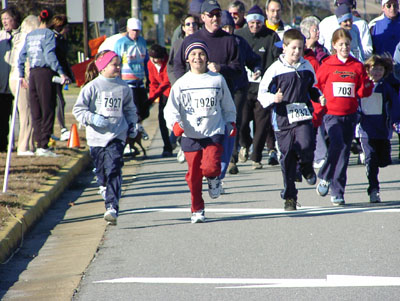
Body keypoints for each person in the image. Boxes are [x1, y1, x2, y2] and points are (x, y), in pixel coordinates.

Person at [164, 41, 236, 223]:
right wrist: (175, 124)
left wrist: (230, 121)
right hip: (190, 134)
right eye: (193, 54)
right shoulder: (182, 84)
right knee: (193, 176)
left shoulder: (217, 80)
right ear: (187, 59)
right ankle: (197, 209)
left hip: (213, 131)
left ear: (207, 57)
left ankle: (213, 178)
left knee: (211, 166)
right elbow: (170, 109)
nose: (198, 57)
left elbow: (227, 104)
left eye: (201, 54)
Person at [257, 29, 322, 211]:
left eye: (300, 48)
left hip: (302, 115)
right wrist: (273, 99)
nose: (296, 52)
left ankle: (306, 167)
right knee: (286, 157)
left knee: (307, 144)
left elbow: (313, 88)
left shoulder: (306, 66)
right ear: (284, 48)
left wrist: (319, 97)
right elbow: (262, 95)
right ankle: (290, 197)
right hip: (282, 119)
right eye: (293, 48)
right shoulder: (275, 70)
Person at [72, 50, 138, 225]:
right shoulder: (92, 87)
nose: (117, 67)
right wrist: (93, 118)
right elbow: (78, 110)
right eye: (114, 64)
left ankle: (112, 207)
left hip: (117, 134)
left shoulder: (123, 87)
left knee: (114, 167)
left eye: (119, 64)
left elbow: (130, 109)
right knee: (102, 172)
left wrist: (133, 125)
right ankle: (103, 185)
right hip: (96, 138)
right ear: (102, 67)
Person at [314, 28, 373, 206]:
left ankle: (338, 192)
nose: (345, 47)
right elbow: (317, 85)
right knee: (337, 145)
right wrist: (319, 100)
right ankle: (324, 176)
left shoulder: (356, 66)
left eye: (347, 44)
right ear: (334, 46)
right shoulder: (327, 65)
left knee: (344, 154)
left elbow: (361, 91)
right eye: (341, 44)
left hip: (350, 115)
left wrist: (368, 84)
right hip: (332, 114)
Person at [18, 8, 70, 157]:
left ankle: (38, 141)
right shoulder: (48, 34)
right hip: (45, 73)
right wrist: (61, 72)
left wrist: (22, 74)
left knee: (36, 110)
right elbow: (49, 55)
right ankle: (43, 145)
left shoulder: (31, 35)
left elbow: (21, 56)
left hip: (32, 73)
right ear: (51, 20)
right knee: (48, 108)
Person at [235, 5, 281, 169]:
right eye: (252, 23)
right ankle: (245, 145)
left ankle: (256, 157)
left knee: (262, 125)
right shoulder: (239, 35)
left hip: (264, 89)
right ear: (247, 21)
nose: (255, 26)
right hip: (244, 88)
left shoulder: (272, 36)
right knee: (243, 122)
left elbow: (279, 58)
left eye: (258, 23)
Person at [219, 10, 261, 177]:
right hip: (219, 89)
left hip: (238, 88)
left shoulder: (239, 42)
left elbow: (253, 59)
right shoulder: (214, 43)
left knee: (234, 122)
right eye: (224, 27)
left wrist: (257, 69)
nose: (227, 31)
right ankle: (219, 155)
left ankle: (232, 158)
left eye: (230, 27)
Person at [173, 0, 241, 93]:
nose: (215, 18)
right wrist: (186, 84)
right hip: (195, 94)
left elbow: (238, 69)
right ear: (203, 17)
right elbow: (178, 65)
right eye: (211, 15)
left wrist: (220, 68)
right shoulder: (191, 39)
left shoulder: (229, 40)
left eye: (218, 14)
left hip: (221, 96)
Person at [359, 55, 400, 203]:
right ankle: (374, 189)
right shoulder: (362, 85)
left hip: (382, 130)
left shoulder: (386, 87)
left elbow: (395, 106)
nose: (376, 72)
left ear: (385, 71)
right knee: (371, 160)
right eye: (373, 69)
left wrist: (396, 121)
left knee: (384, 160)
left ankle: (377, 165)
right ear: (367, 69)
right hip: (365, 131)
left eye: (380, 69)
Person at [114, 17, 150, 151]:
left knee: (143, 111)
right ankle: (129, 140)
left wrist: (148, 78)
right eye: (133, 30)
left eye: (138, 31)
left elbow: (146, 61)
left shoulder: (142, 42)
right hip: (126, 81)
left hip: (140, 80)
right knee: (131, 111)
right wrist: (117, 80)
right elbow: (116, 62)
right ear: (128, 29)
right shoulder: (121, 43)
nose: (135, 33)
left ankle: (137, 130)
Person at [168, 14, 200, 163]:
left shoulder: (202, 41)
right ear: (183, 28)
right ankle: (183, 145)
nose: (191, 27)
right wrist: (176, 84)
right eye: (188, 24)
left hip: (199, 87)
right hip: (182, 87)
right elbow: (171, 67)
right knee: (182, 117)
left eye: (194, 24)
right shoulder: (177, 44)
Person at [9, 15, 39, 156]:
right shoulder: (27, 41)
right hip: (21, 79)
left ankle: (30, 144)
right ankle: (23, 147)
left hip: (14, 78)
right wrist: (25, 78)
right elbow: (25, 62)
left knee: (27, 112)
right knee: (27, 113)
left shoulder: (19, 39)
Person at [0, 7, 21, 152]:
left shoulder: (22, 37)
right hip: (2, 86)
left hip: (16, 83)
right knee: (2, 117)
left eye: (7, 18)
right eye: (2, 20)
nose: (4, 22)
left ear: (14, 18)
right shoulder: (1, 38)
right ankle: (3, 145)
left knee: (18, 117)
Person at [50, 14, 74, 141]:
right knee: (59, 101)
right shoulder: (53, 39)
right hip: (54, 74)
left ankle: (55, 129)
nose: (68, 30)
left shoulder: (61, 39)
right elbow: (56, 59)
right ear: (61, 26)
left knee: (59, 101)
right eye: (66, 27)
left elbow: (64, 59)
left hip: (61, 74)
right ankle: (62, 129)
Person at [147, 44, 173, 157]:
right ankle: (167, 147)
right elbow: (153, 82)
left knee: (176, 118)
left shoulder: (169, 63)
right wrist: (151, 97)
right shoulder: (150, 64)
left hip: (172, 92)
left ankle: (182, 142)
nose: (157, 61)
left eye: (159, 58)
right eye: (155, 58)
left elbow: (166, 82)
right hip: (162, 94)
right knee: (162, 119)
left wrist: (153, 96)